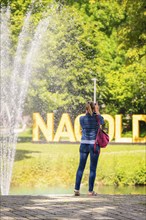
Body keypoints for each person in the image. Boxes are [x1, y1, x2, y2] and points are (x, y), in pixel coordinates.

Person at [74, 101, 104, 196]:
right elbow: (102, 122)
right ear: (94, 108)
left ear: (86, 108)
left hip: (83, 145)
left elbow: (84, 127)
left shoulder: (81, 118)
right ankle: (90, 191)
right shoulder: (98, 118)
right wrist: (97, 111)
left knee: (80, 167)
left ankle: (76, 189)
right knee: (92, 169)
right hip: (94, 145)